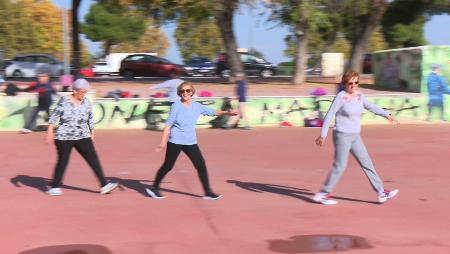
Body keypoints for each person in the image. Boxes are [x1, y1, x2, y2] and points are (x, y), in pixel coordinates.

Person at [313, 70, 400, 205]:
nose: (353, 85)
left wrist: (386, 115)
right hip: (342, 136)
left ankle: (381, 192)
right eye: (350, 83)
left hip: (355, 136)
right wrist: (323, 135)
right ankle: (323, 193)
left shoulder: (360, 95)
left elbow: (371, 106)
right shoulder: (341, 97)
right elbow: (329, 115)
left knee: (367, 163)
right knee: (340, 166)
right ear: (344, 84)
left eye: (356, 82)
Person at [145, 82, 238, 200]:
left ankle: (208, 192)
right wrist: (163, 142)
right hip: (176, 141)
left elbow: (212, 112)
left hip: (190, 142)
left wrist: (228, 112)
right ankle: (154, 188)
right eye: (182, 91)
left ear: (192, 92)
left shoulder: (197, 106)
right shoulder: (176, 106)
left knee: (201, 165)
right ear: (179, 93)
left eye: (188, 91)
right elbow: (168, 125)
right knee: (168, 166)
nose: (185, 93)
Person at [45, 79, 118, 196]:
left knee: (93, 159)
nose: (83, 95)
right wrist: (49, 132)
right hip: (64, 136)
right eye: (82, 92)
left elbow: (90, 118)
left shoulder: (86, 102)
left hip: (83, 135)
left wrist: (92, 133)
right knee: (63, 161)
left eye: (85, 92)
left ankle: (104, 185)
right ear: (74, 90)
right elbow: (54, 116)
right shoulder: (64, 101)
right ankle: (54, 187)